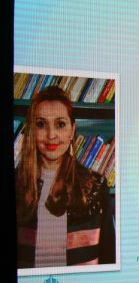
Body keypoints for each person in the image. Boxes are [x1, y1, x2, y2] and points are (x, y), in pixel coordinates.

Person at [16, 85, 115, 268]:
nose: (51, 135)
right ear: (32, 131)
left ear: (72, 131)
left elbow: (109, 259)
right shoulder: (17, 185)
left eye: (60, 124)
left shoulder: (96, 187)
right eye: (41, 124)